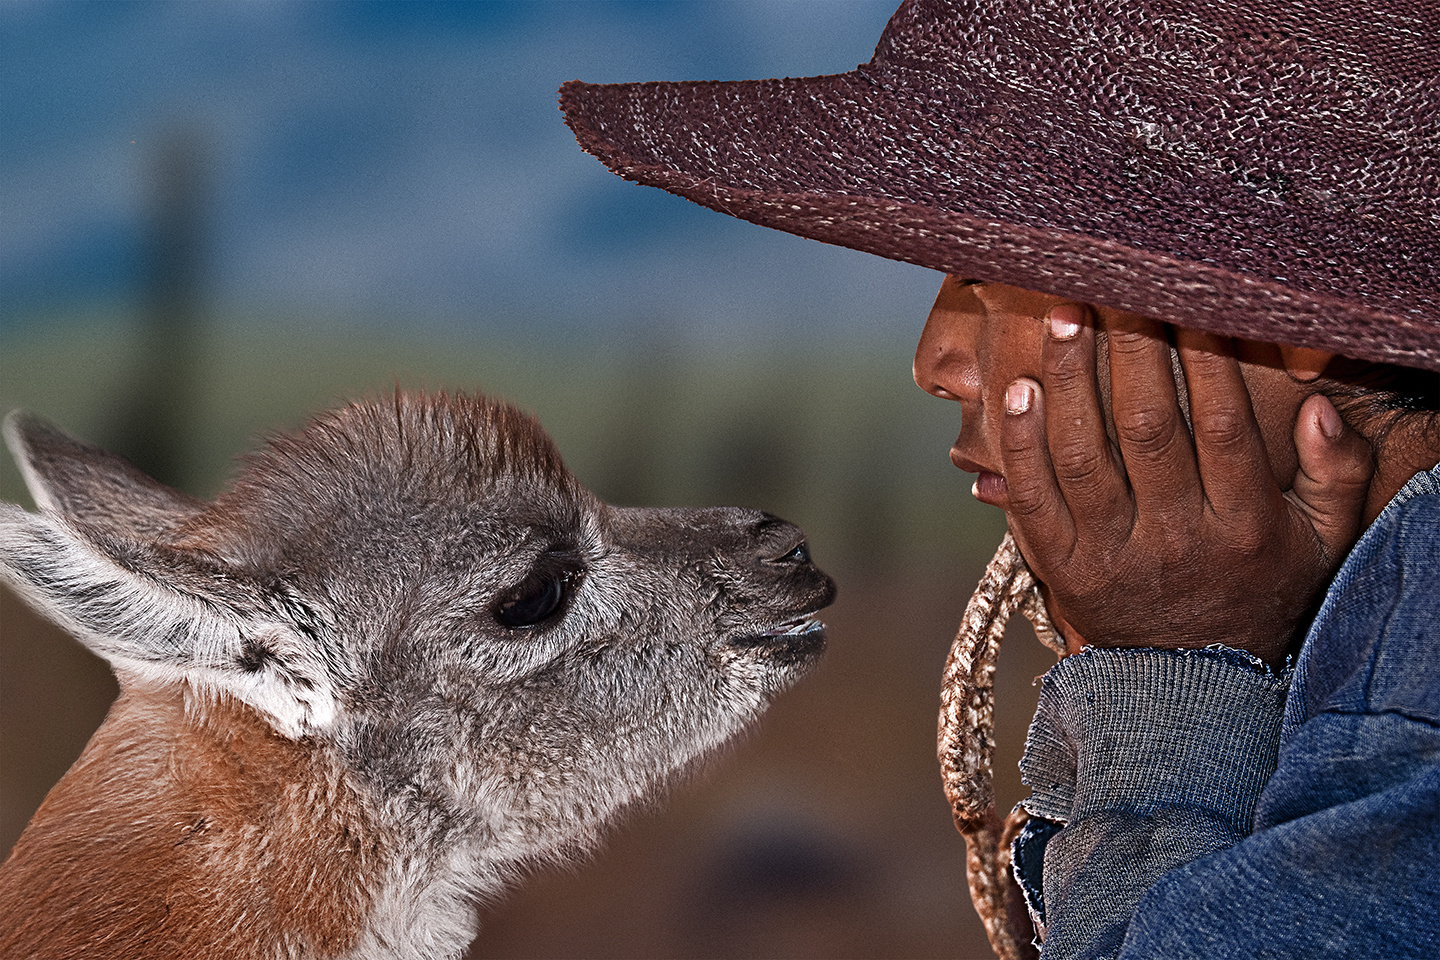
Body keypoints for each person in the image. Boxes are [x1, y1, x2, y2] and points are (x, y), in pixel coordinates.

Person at [559, 0, 1440, 957]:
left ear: (1282, 316)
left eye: (986, 277)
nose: (937, 360)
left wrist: (1171, 676)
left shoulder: (1408, 700)